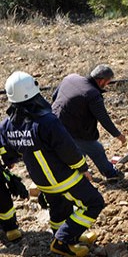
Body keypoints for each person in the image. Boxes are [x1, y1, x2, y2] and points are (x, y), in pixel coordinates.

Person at [0, 71, 105, 256]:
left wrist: (11, 160)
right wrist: (82, 167)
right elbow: (68, 150)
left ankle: (63, 234)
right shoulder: (47, 122)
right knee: (94, 203)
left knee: (59, 206)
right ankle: (63, 240)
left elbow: (7, 150)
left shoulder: (7, 125)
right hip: (63, 178)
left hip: (41, 181)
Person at [52, 64, 126, 182]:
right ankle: (111, 173)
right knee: (96, 149)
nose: (107, 85)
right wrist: (118, 135)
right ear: (101, 81)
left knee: (78, 150)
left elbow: (54, 96)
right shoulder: (92, 94)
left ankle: (78, 173)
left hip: (54, 121)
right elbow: (104, 119)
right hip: (71, 129)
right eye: (108, 82)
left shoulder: (71, 78)